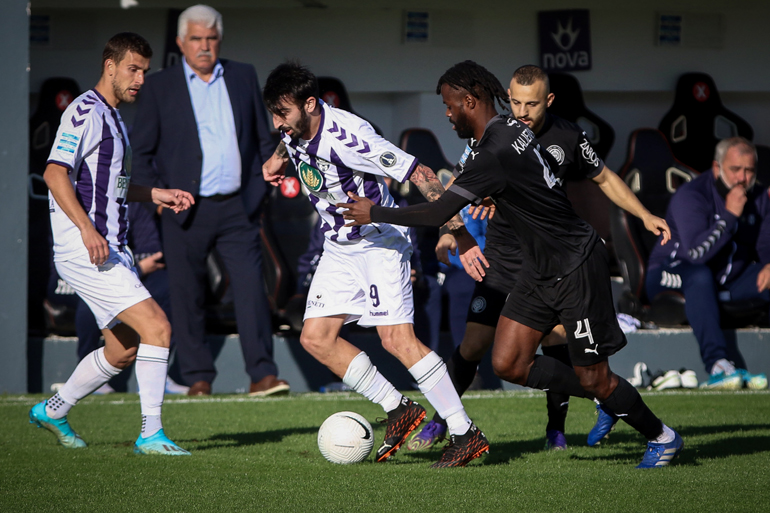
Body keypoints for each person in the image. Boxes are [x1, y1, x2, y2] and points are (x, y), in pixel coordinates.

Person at [341, 60, 684, 469]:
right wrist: (491, 201)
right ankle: (605, 395)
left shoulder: (496, 149)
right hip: (537, 268)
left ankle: (662, 436)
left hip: (575, 264)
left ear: (470, 101)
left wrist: (375, 212)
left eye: (450, 105)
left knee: (594, 375)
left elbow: (438, 211)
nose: (447, 114)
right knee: (508, 363)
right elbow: (516, 180)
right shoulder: (507, 130)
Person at [262, 61, 489, 468]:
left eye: (283, 114)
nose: (277, 123)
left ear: (310, 104)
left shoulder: (350, 137)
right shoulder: (292, 127)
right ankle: (398, 408)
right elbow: (287, 138)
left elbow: (420, 173)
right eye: (273, 114)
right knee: (316, 338)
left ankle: (464, 432)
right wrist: (278, 158)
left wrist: (459, 233)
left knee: (397, 340)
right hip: (338, 246)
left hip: (378, 242)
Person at [29, 32, 194, 455]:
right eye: (132, 69)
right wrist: (87, 230)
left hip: (110, 248)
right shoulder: (85, 110)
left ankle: (53, 410)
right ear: (110, 66)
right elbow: (54, 173)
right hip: (88, 249)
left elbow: (110, 185)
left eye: (144, 71)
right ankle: (151, 434)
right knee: (158, 327)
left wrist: (154, 194)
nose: (140, 79)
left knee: (123, 350)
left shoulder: (115, 117)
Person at [131, 5, 289, 397]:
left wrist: (260, 192)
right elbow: (142, 154)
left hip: (238, 205)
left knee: (251, 289)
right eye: (196, 39)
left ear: (220, 40)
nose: (204, 46)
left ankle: (262, 375)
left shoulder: (242, 75)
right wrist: (158, 201)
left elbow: (262, 138)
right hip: (183, 209)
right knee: (186, 294)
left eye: (211, 38)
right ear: (181, 42)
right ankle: (198, 377)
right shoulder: (159, 86)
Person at [646, 137, 769, 390]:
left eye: (749, 171)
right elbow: (696, 254)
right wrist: (729, 215)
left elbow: (764, 244)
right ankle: (718, 365)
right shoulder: (692, 194)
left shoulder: (758, 197)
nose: (742, 178)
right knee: (699, 276)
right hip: (670, 272)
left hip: (725, 278)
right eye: (735, 169)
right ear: (717, 168)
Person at [73, 203, 190, 395]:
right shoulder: (80, 206)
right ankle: (89, 377)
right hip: (87, 275)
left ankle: (156, 375)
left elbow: (151, 253)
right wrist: (138, 266)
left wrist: (135, 267)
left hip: (132, 273)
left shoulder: (131, 205)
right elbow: (85, 258)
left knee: (170, 289)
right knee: (89, 304)